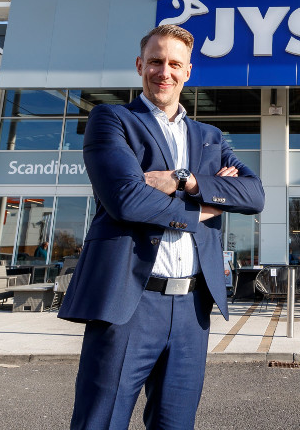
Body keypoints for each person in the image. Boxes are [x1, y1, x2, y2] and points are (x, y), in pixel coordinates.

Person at [59, 24, 265, 430]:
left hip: (192, 308)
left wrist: (184, 179)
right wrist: (205, 208)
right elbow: (127, 200)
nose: (164, 72)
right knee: (100, 423)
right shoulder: (112, 120)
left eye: (175, 63)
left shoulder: (209, 137)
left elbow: (254, 195)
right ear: (140, 65)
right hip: (129, 304)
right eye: (156, 61)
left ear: (188, 71)